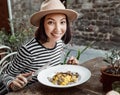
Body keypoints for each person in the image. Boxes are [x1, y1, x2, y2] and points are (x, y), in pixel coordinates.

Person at [1, 0, 80, 94]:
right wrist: (12, 84)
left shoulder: (59, 43)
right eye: (51, 22)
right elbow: (5, 75)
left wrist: (68, 66)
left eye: (62, 22)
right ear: (42, 24)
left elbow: (52, 69)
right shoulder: (28, 50)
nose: (58, 29)